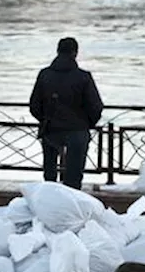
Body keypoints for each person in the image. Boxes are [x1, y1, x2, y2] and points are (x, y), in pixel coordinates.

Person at [28, 37, 105, 189]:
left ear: (57, 51)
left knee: (50, 175)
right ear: (75, 53)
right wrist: (86, 124)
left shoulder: (44, 75)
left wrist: (45, 119)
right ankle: (70, 207)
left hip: (50, 130)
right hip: (77, 131)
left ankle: (49, 203)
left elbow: (34, 105)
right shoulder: (83, 77)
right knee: (74, 178)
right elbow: (96, 107)